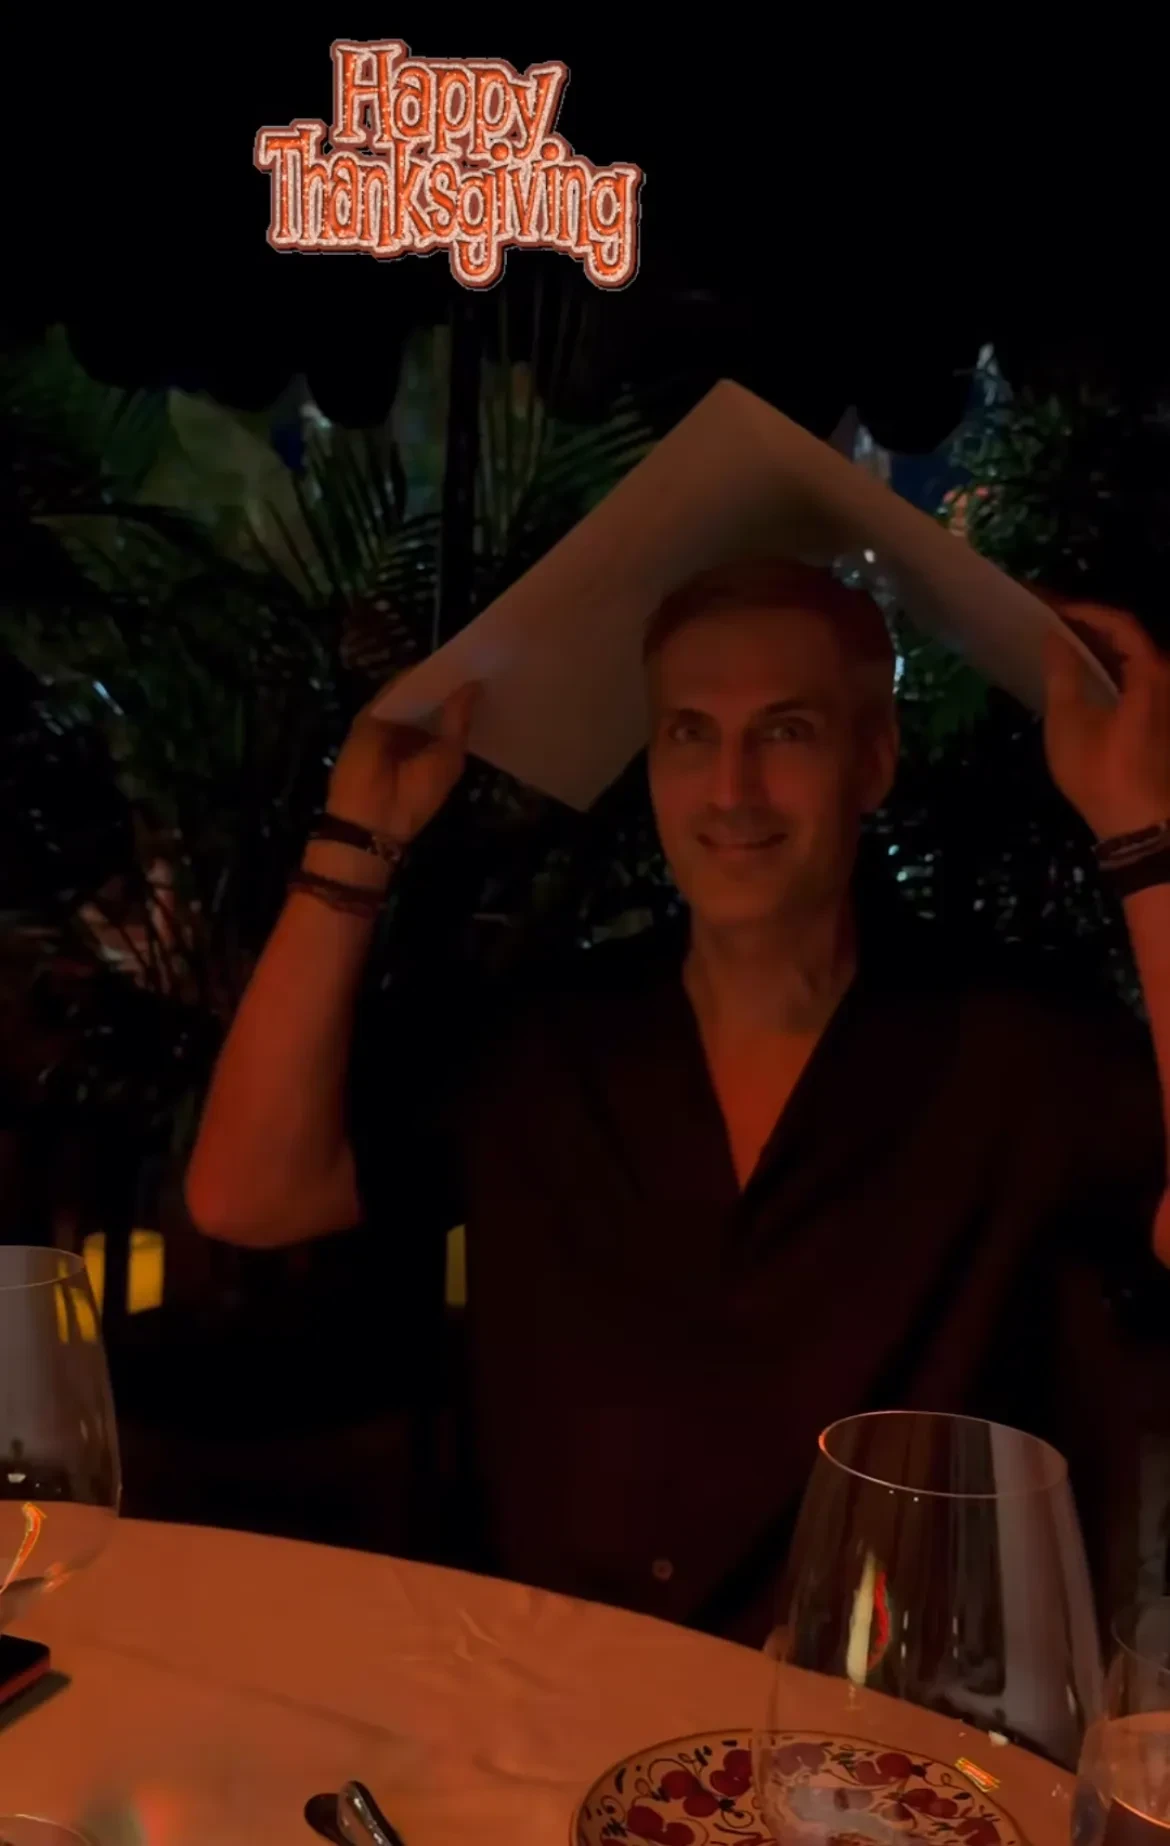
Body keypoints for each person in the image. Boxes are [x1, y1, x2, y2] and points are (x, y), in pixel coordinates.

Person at [184, 558, 1170, 1645]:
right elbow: (247, 1196)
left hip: (873, 1721)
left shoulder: (1017, 1050)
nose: (731, 789)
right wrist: (355, 836)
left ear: (873, 758)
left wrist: (1142, 829)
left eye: (785, 731)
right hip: (545, 1699)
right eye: (690, 733)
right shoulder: (539, 1036)